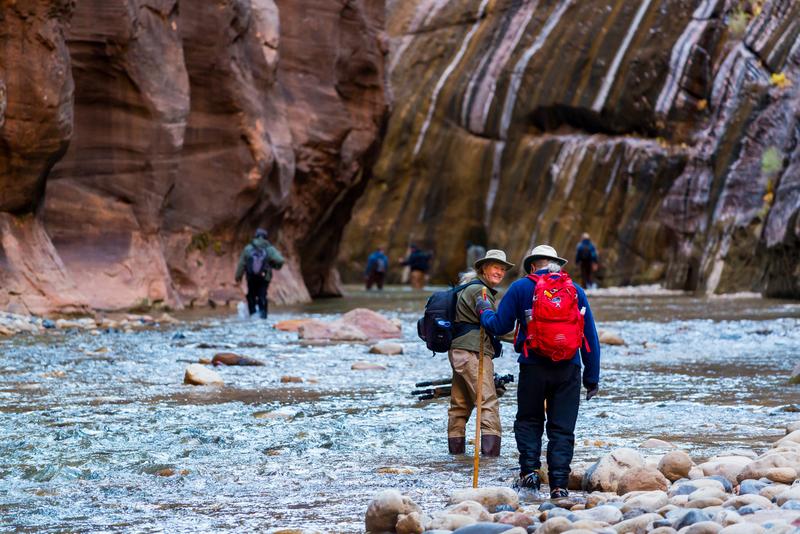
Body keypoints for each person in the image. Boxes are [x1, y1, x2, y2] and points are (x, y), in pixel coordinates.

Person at [476, 244, 600, 499]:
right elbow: (590, 338)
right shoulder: (574, 290)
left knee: (529, 420)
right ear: (557, 265)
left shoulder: (521, 287)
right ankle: (558, 486)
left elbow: (499, 326)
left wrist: (484, 311)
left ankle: (530, 474)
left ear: (533, 265)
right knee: (562, 429)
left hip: (533, 365)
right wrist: (592, 378)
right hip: (569, 367)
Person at [448, 249, 514, 457]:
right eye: (496, 267)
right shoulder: (481, 292)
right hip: (474, 353)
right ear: (484, 268)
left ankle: (456, 457)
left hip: (459, 351)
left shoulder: (466, 287)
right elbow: (494, 324)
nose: (500, 272)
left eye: (503, 269)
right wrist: (527, 335)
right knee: (488, 402)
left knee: (459, 405)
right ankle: (490, 459)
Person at [234, 228, 285, 319]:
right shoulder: (269, 249)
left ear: (256, 236)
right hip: (264, 277)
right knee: (262, 295)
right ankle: (263, 316)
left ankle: (252, 315)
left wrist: (238, 277)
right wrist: (273, 265)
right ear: (266, 237)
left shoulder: (248, 249)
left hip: (251, 277)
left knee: (251, 295)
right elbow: (280, 260)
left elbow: (241, 264)